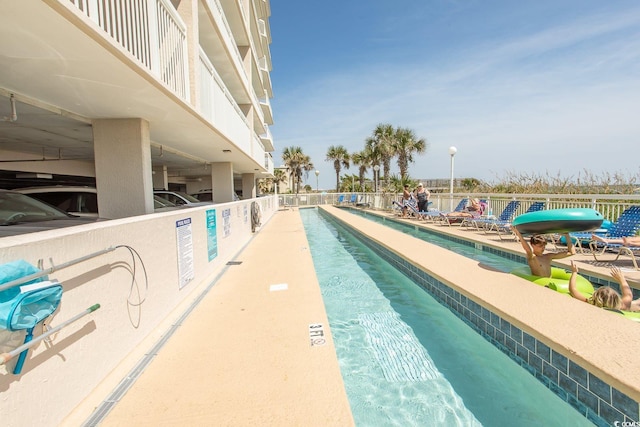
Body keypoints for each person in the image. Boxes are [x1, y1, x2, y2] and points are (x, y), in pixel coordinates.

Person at [568, 262, 638, 311]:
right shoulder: (622, 306)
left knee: (634, 304)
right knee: (634, 304)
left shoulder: (591, 304)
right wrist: (622, 279)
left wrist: (574, 272)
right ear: (616, 299)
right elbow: (628, 295)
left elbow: (573, 290)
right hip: (631, 307)